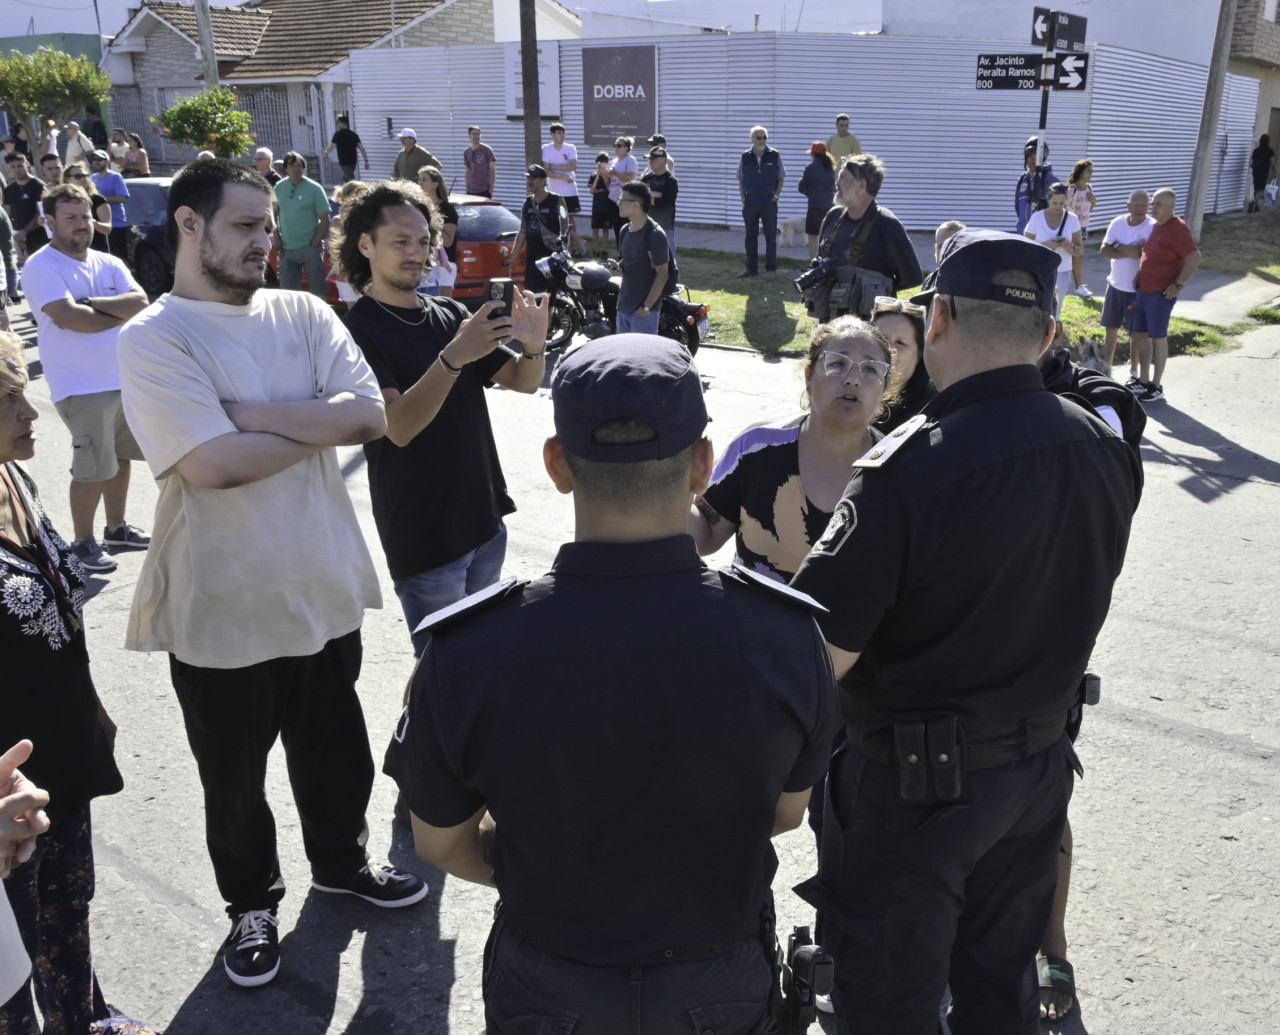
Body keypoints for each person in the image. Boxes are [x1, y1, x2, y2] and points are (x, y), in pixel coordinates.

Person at [384, 332, 840, 1035]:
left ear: (558, 466)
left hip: (551, 976)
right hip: (715, 978)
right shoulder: (785, 635)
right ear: (702, 466)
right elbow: (783, 813)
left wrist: (553, 868)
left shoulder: (466, 647)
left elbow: (441, 843)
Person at [790, 228, 1142, 1034]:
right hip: (1037, 780)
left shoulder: (907, 470)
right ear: (1048, 334)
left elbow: (814, 662)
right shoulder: (1104, 447)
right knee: (1001, 1000)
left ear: (937, 318)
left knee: (888, 1009)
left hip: (915, 800)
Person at [117, 158, 425, 989]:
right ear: (189, 224)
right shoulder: (153, 337)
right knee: (234, 778)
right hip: (220, 602)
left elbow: (369, 416)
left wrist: (246, 416)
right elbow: (212, 466)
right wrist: (302, 425)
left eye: (268, 225)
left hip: (319, 585)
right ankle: (250, 905)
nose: (268, 240)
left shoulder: (302, 310)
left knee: (335, 752)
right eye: (247, 225)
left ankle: (342, 863)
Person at [0, 330, 157, 1035]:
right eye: (6, 399)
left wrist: (88, 715)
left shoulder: (13, 476)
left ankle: (83, 1015)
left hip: (60, 748)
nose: (30, 410)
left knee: (68, 904)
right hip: (9, 791)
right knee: (13, 945)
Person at [337, 179, 547, 661]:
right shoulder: (358, 330)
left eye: (424, 241)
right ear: (365, 244)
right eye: (401, 241)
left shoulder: (450, 312)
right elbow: (399, 427)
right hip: (426, 538)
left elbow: (523, 380)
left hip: (484, 522)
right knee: (442, 671)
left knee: (480, 663)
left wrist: (533, 344)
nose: (417, 252)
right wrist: (454, 357)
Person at [19, 182, 151, 573]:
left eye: (86, 216)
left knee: (119, 457)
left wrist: (91, 303)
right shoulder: (41, 266)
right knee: (92, 466)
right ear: (49, 221)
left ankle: (116, 528)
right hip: (80, 385)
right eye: (71, 218)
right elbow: (69, 318)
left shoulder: (106, 261)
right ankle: (82, 543)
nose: (82, 224)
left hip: (121, 378)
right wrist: (110, 311)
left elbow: (140, 303)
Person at [808, 154, 922, 321]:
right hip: (829, 322)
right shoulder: (833, 217)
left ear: (861, 185)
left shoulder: (887, 223)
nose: (837, 183)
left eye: (843, 178)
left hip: (869, 327)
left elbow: (912, 277)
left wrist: (875, 286)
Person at [1129, 188, 1201, 404]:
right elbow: (1150, 253)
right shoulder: (1156, 226)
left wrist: (1178, 285)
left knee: (1158, 338)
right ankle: (1143, 380)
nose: (1153, 206)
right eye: (1154, 202)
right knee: (1140, 334)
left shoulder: (1177, 228)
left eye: (1159, 203)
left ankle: (1156, 385)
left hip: (1161, 294)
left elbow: (1195, 258)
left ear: (1171, 207)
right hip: (1144, 289)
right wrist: (1140, 274)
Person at [1099, 190, 1154, 378]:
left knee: (1136, 333)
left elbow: (1148, 256)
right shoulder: (1118, 223)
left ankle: (1134, 371)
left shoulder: (1152, 227)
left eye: (1145, 205)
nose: (1141, 209)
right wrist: (1132, 250)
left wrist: (1119, 246)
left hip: (1137, 288)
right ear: (1128, 205)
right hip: (1115, 285)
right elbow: (1104, 251)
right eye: (1136, 205)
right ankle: (1107, 368)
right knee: (1110, 328)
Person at [870, 295, 934, 431]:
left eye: (900, 342)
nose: (890, 350)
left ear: (918, 355)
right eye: (881, 339)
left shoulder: (931, 412)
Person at [272, 151, 330, 297]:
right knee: (289, 293)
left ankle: (319, 318)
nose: (296, 169)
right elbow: (272, 214)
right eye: (292, 166)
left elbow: (325, 219)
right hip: (287, 248)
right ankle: (294, 319)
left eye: (299, 166)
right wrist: (277, 238)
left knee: (318, 291)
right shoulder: (279, 187)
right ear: (286, 168)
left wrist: (315, 243)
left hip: (310, 247)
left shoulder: (315, 188)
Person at [1023, 182, 1082, 320]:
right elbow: (1026, 246)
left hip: (1062, 271)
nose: (1058, 207)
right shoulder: (1037, 218)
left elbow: (1079, 251)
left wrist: (1069, 246)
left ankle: (1053, 335)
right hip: (1040, 270)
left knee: (1056, 308)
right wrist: (1046, 245)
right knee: (1036, 306)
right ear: (1048, 199)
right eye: (1054, 203)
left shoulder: (1072, 219)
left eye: (1062, 203)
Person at [615, 181, 668, 335]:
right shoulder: (625, 230)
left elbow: (662, 275)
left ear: (636, 205)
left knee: (643, 358)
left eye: (622, 200)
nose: (619, 203)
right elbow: (630, 260)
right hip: (623, 307)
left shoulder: (655, 234)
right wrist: (619, 265)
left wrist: (646, 307)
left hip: (643, 313)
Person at [506, 165, 564, 298]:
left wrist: (566, 250)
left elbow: (566, 228)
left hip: (552, 257)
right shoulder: (527, 203)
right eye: (528, 178)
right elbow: (522, 231)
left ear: (544, 180)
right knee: (533, 295)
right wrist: (513, 257)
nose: (530, 181)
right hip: (532, 259)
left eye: (534, 178)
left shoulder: (557, 200)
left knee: (553, 295)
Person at [737, 125, 784, 280]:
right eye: (759, 137)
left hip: (768, 203)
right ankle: (751, 268)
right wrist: (743, 198)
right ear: (752, 139)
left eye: (764, 137)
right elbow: (741, 180)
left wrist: (776, 196)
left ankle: (770, 269)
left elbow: (781, 178)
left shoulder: (774, 155)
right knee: (751, 236)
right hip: (750, 203)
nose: (762, 140)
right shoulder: (745, 156)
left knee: (770, 237)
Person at [542, 122, 584, 254]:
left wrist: (554, 166)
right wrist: (561, 176)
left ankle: (570, 248)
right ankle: (573, 242)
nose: (562, 135)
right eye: (559, 133)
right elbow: (546, 171)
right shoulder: (547, 149)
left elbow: (572, 166)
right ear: (553, 134)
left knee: (570, 218)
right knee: (558, 218)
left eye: (563, 133)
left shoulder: (570, 148)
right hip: (554, 190)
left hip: (570, 189)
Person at [417, 166, 458, 298]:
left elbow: (448, 241)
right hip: (426, 263)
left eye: (424, 179)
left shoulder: (447, 209)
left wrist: (431, 224)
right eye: (419, 179)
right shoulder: (419, 207)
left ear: (435, 184)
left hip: (444, 264)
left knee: (444, 304)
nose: (420, 183)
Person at [2, 153, 46, 259]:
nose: (17, 170)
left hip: (39, 236)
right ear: (8, 168)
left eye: (20, 166)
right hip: (19, 238)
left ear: (27, 166)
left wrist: (25, 232)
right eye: (13, 167)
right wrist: (15, 235)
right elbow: (8, 214)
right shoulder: (9, 190)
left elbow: (41, 213)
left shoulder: (39, 186)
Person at [797, 141, 837, 259]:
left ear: (813, 155)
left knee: (813, 235)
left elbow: (801, 187)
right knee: (828, 235)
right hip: (830, 206)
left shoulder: (810, 168)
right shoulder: (831, 168)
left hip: (815, 206)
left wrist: (809, 193)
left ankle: (813, 262)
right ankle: (826, 260)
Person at [62, 163, 112, 256]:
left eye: (85, 175)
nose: (83, 179)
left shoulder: (97, 200)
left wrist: (91, 221)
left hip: (97, 251)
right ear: (67, 180)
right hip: (71, 252)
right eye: (78, 176)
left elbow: (107, 229)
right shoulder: (63, 202)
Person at [88, 149, 131, 259]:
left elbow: (122, 198)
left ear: (107, 161)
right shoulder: (92, 178)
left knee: (118, 257)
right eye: (94, 159)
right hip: (98, 225)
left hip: (116, 224)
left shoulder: (115, 176)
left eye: (100, 159)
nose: (96, 162)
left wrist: (101, 198)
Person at [640, 145, 678, 259]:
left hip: (665, 226)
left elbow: (663, 201)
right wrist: (655, 194)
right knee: (646, 259)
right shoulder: (646, 178)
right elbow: (638, 196)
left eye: (653, 159)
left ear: (664, 160)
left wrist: (648, 194)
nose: (650, 162)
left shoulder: (670, 181)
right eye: (649, 159)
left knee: (669, 260)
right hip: (646, 225)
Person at [1065, 159, 1097, 297]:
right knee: (1076, 255)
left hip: (1083, 227)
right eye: (1087, 170)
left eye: (1091, 171)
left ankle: (1078, 285)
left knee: (1077, 256)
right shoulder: (1072, 189)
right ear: (1080, 171)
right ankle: (1078, 286)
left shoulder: (1089, 188)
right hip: (1073, 228)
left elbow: (1090, 209)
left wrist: (1093, 200)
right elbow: (1066, 208)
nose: (1090, 173)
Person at [1015, 137, 1055, 234]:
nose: (1033, 161)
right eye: (1031, 157)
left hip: (1042, 236)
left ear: (1043, 159)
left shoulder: (1049, 180)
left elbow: (1056, 209)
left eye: (1037, 157)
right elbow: (1018, 207)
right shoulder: (1022, 180)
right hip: (1023, 234)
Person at [605, 136, 638, 243]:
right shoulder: (614, 161)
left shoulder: (630, 160)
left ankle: (627, 254)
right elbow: (609, 181)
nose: (616, 148)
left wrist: (616, 173)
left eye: (619, 146)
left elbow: (631, 178)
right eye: (615, 145)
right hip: (613, 199)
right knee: (617, 228)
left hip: (625, 199)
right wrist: (603, 174)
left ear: (627, 148)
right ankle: (620, 254)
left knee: (626, 227)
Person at [325, 114, 368, 183]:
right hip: (353, 162)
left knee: (352, 182)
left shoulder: (338, 134)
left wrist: (326, 152)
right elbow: (361, 148)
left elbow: (332, 147)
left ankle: (358, 192)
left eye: (338, 123)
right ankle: (345, 192)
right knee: (346, 179)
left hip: (344, 162)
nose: (338, 125)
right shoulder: (354, 135)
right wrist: (366, 160)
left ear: (340, 122)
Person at [587, 150, 614, 258]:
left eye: (604, 163)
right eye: (599, 163)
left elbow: (610, 189)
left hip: (606, 206)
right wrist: (597, 177)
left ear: (608, 163)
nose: (601, 165)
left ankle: (604, 250)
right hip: (596, 206)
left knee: (605, 229)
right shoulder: (593, 176)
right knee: (595, 229)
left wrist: (604, 176)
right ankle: (596, 249)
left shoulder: (610, 175)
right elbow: (591, 191)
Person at [462, 126, 496, 198]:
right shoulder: (467, 151)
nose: (476, 136)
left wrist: (491, 189)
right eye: (474, 134)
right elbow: (468, 170)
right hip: (471, 189)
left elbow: (492, 170)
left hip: (484, 188)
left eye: (478, 134)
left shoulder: (486, 150)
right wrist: (467, 185)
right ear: (469, 135)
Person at [1248, 133, 1275, 213]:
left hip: (1256, 171)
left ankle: (1256, 206)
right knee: (1261, 189)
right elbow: (1272, 162)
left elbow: (1252, 161)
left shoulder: (1256, 150)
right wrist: (1274, 171)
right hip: (1264, 171)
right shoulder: (1270, 151)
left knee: (1257, 188)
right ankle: (1253, 202)